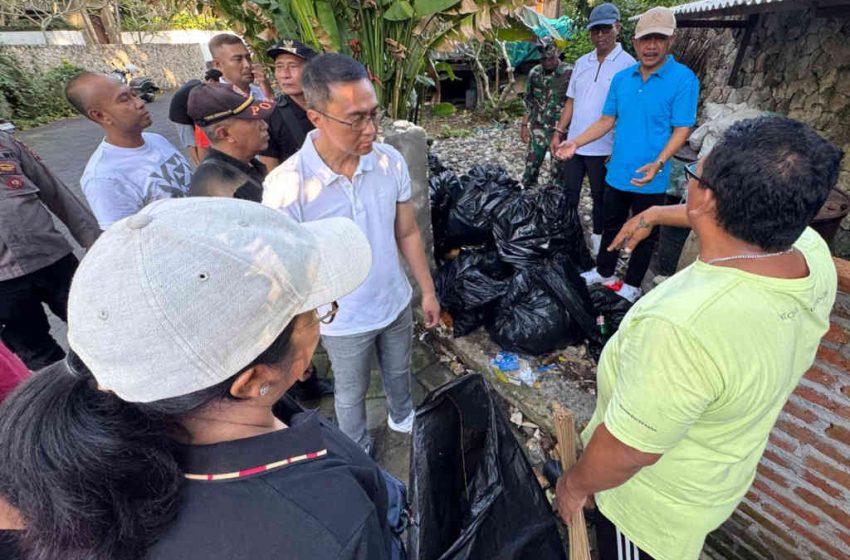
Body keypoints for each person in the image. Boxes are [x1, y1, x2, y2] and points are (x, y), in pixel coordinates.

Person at [0, 197, 398, 560]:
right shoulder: (328, 522)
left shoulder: (85, 475)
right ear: (252, 381)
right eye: (316, 313)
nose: (321, 319)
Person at [555, 116, 843, 560]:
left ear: (707, 198)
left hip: (648, 510)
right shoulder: (810, 254)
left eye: (693, 174)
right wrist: (654, 213)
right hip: (715, 480)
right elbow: (749, 222)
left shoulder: (684, 326)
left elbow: (629, 451)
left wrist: (574, 486)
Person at [263, 53, 440, 454]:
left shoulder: (388, 161)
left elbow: (407, 232)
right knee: (350, 391)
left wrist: (425, 291)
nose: (372, 129)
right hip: (342, 320)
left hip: (394, 301)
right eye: (356, 118)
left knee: (399, 370)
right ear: (316, 118)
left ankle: (402, 416)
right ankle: (357, 448)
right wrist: (295, 337)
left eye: (374, 114)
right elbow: (286, 272)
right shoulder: (286, 187)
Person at [556, 6, 699, 302]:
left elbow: (682, 129)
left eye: (659, 39)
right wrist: (575, 142)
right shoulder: (623, 79)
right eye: (646, 39)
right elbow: (607, 120)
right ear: (635, 41)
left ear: (671, 40)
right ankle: (605, 272)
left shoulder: (683, 80)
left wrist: (659, 162)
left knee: (645, 232)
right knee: (610, 225)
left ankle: (632, 285)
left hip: (652, 176)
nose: (652, 46)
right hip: (617, 170)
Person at [0, 130, 100, 370]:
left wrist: (94, 241)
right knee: (37, 353)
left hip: (53, 258)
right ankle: (71, 400)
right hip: (4, 284)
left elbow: (54, 191)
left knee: (97, 325)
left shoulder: (5, 143)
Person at [549, 3, 635, 256]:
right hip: (574, 143)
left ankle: (598, 239)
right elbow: (571, 101)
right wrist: (559, 131)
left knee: (601, 197)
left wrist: (618, 147)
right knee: (570, 193)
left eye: (605, 29)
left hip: (604, 147)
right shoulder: (582, 62)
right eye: (595, 31)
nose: (600, 35)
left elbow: (627, 112)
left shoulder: (628, 65)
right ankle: (567, 237)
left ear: (617, 28)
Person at [67, 72, 193, 230]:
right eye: (124, 99)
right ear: (100, 116)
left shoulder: (157, 140)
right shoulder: (104, 178)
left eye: (134, 94)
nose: (140, 103)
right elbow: (127, 242)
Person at [187, 83, 274, 202]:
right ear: (224, 134)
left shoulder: (247, 163)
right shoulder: (215, 190)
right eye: (253, 120)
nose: (265, 125)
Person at [259, 39, 318, 171]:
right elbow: (271, 172)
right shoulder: (271, 115)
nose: (285, 75)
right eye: (279, 67)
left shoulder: (333, 107)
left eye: (292, 66)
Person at [521, 36, 570, 187]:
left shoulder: (569, 72)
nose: (547, 62)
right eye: (543, 59)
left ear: (557, 54)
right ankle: (526, 202)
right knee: (530, 169)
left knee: (558, 174)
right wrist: (524, 126)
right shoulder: (535, 73)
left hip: (559, 132)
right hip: (538, 129)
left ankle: (553, 203)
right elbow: (528, 101)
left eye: (551, 58)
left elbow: (574, 103)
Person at [208, 33, 274, 101]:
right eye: (238, 59)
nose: (247, 65)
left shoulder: (261, 92)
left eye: (248, 58)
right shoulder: (213, 101)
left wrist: (268, 93)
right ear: (218, 65)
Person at [169, 79, 204, 165]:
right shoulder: (198, 89)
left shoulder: (197, 83)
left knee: (196, 139)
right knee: (191, 142)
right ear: (211, 80)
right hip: (179, 117)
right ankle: (198, 164)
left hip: (185, 111)